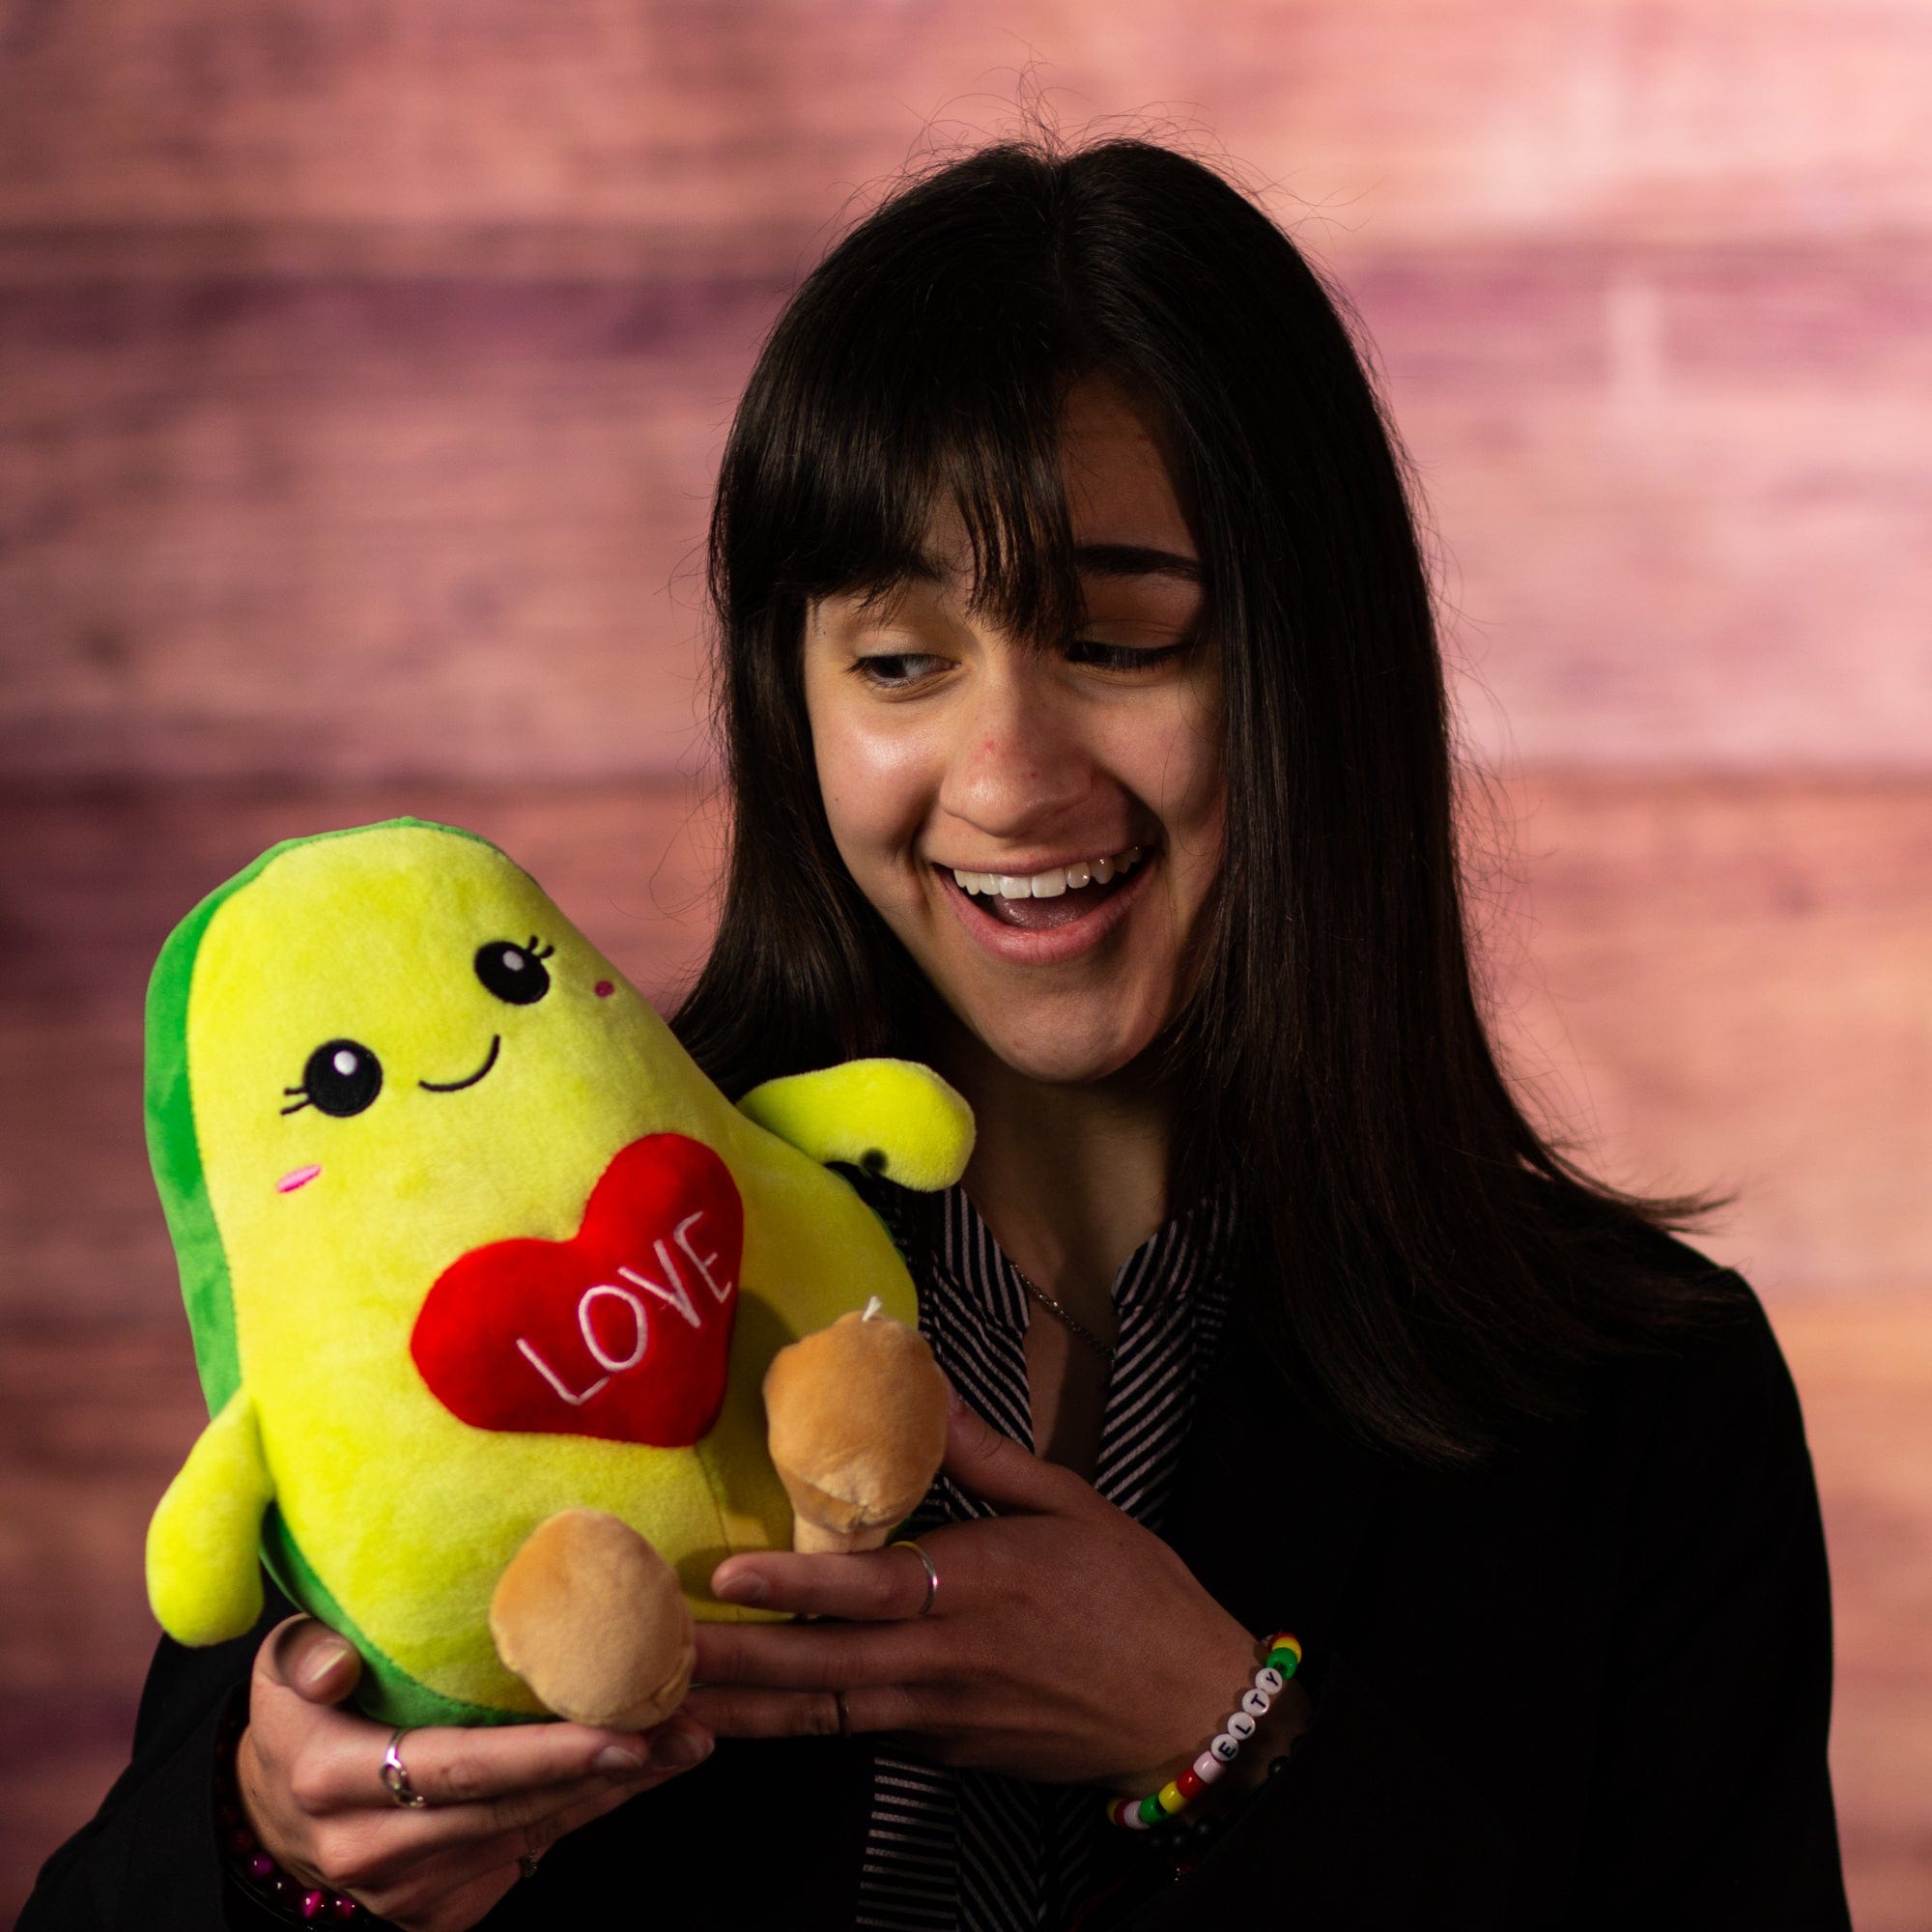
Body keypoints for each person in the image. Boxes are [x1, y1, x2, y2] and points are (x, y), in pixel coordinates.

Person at [23, 133, 1852, 1932]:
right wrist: (273, 1842)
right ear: (791, 701)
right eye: (900, 664)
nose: (1008, 778)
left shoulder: (1643, 1397)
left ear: (1311, 670)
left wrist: (1224, 1735)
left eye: (1123, 644)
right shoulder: (498, 1226)